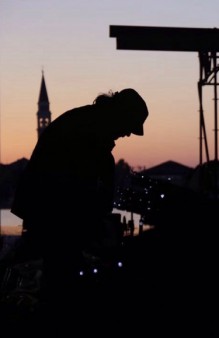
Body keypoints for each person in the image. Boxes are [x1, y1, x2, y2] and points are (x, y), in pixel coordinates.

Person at [10, 88, 148, 304]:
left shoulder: (87, 122)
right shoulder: (89, 132)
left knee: (60, 269)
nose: (127, 134)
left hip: (46, 205)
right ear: (120, 115)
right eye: (128, 127)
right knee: (63, 273)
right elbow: (79, 188)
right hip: (50, 209)